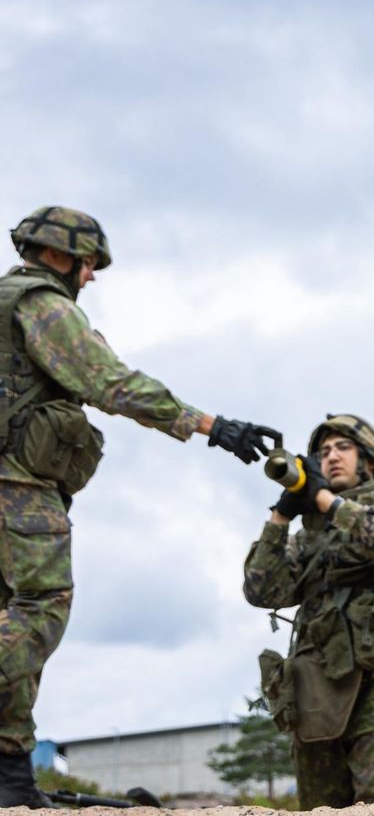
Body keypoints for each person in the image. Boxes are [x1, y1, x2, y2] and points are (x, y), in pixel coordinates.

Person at [0, 206, 279, 808]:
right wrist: (209, 425)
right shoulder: (42, 306)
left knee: (9, 613)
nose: (92, 277)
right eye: (88, 263)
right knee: (40, 607)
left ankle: (10, 778)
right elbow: (111, 383)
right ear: (56, 255)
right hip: (16, 487)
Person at [243, 414, 374, 809]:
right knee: (321, 808)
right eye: (324, 451)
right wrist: (281, 516)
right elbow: (262, 590)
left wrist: (329, 503)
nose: (331, 457)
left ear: (369, 459)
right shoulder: (309, 532)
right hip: (317, 687)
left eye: (343, 448)